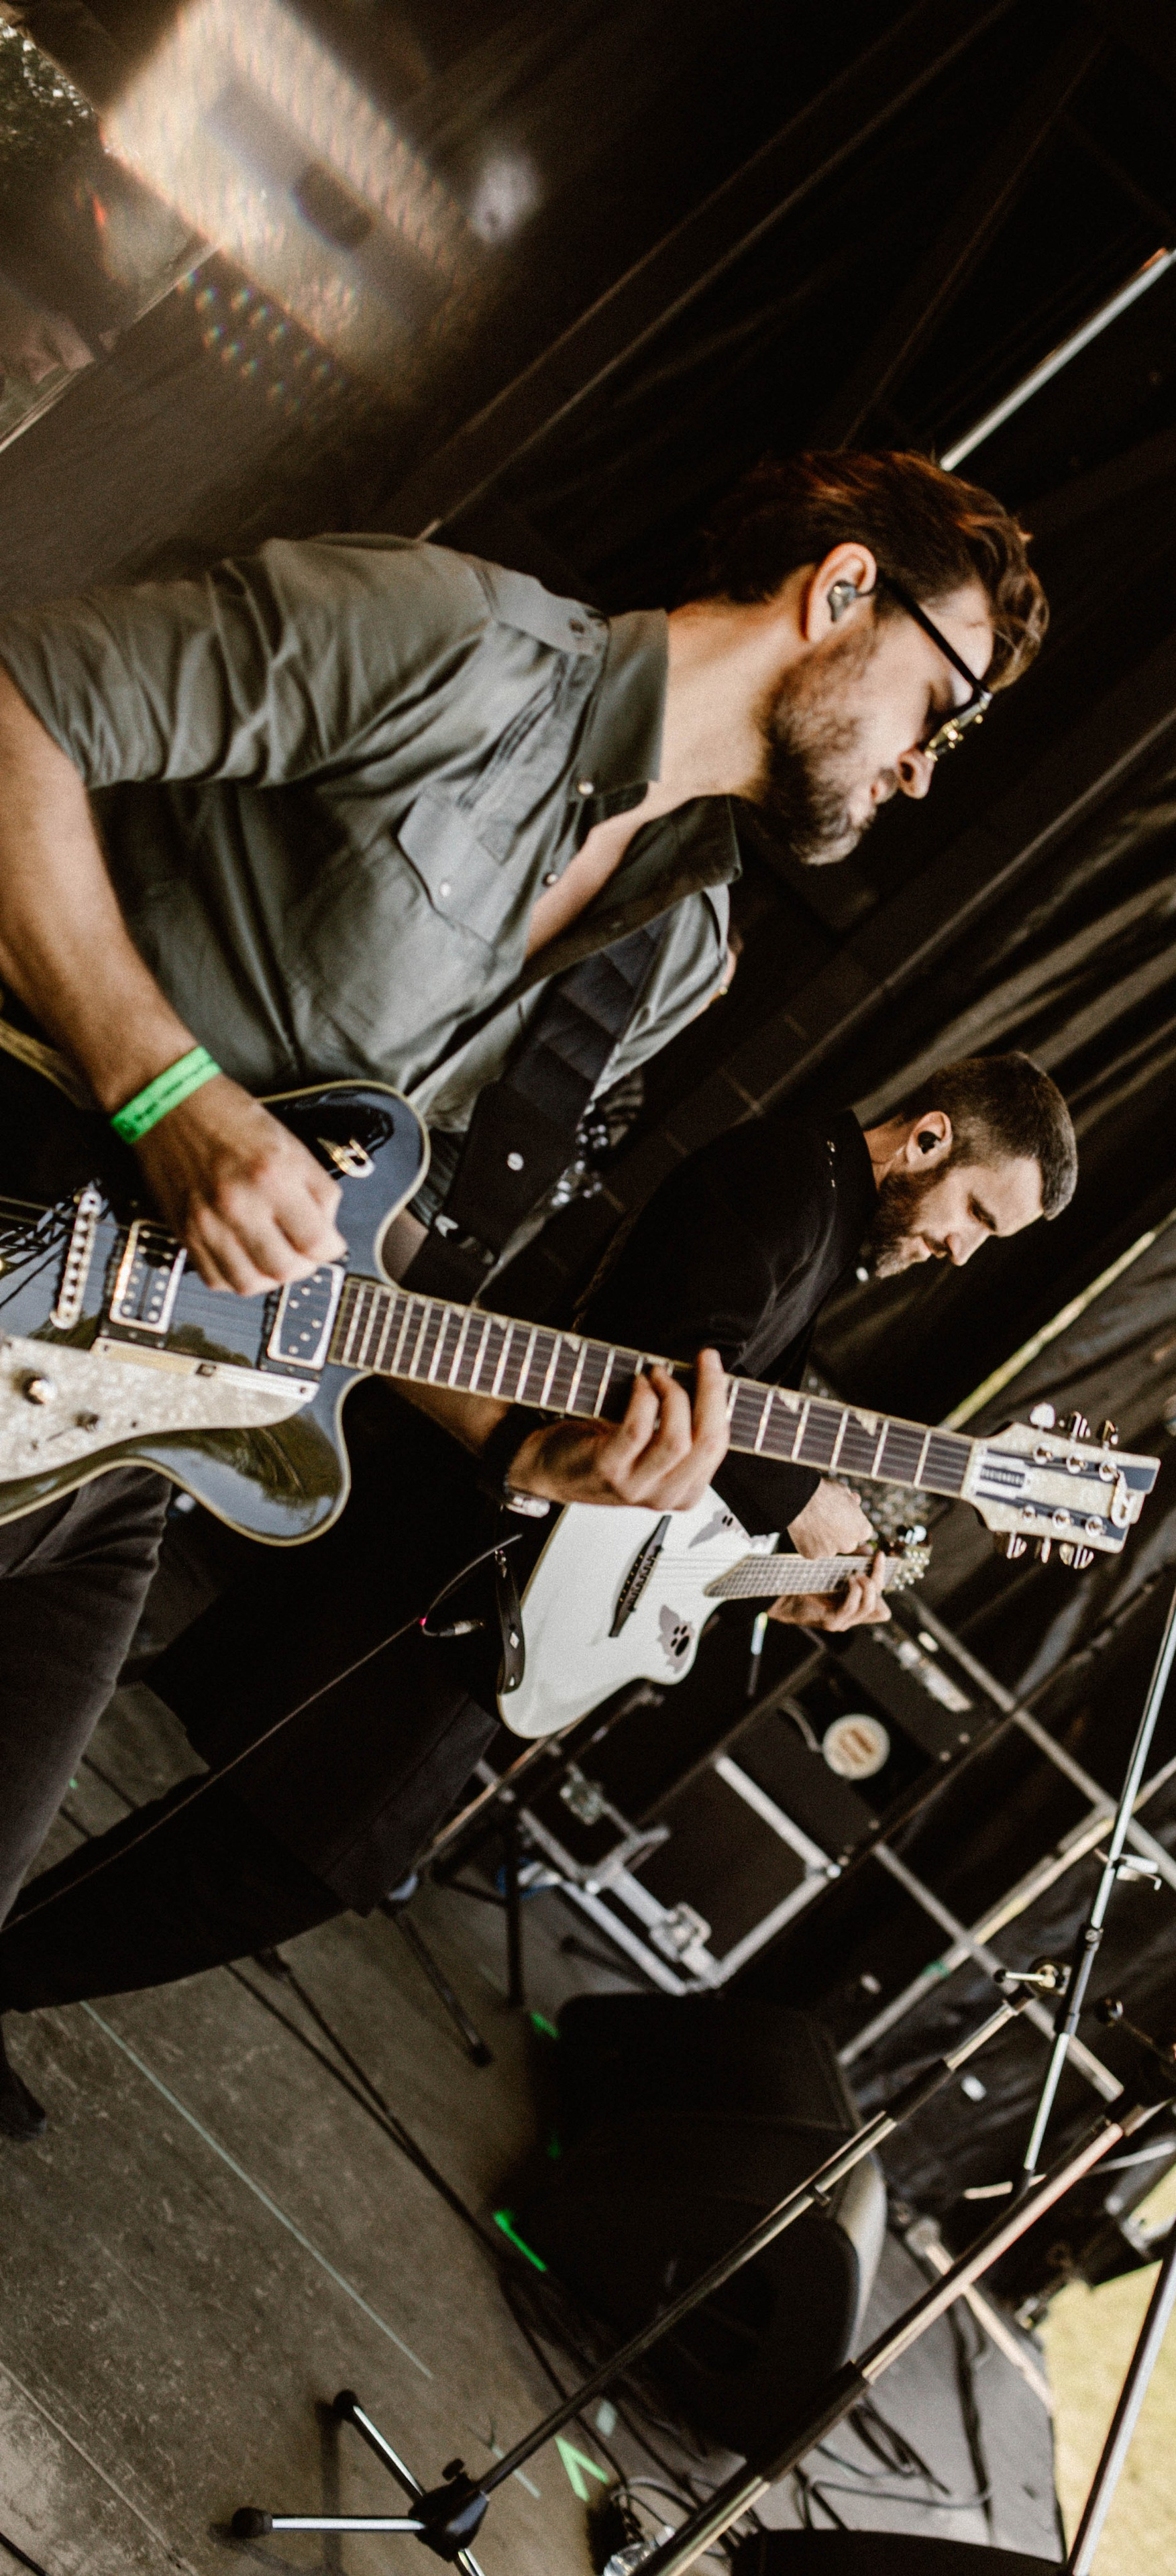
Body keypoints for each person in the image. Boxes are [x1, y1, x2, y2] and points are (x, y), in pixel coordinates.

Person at [0, 447, 1049, 1938]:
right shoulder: (457, 644)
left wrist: (526, 1445)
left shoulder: (678, 957)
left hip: (122, 1427)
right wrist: (163, 1086)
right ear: (842, 591)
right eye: (946, 705)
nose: (925, 766)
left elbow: (374, 1223)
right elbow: (15, 700)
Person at [0, 1053, 1078, 2138]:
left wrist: (777, 1582)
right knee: (282, 1851)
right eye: (978, 1213)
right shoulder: (791, 1178)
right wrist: (804, 1495)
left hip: (520, 1574)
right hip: (473, 1547)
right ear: (930, 1139)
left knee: (277, 1840)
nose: (962, 1249)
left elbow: (677, 1476)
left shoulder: (827, 1223)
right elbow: (667, 1372)